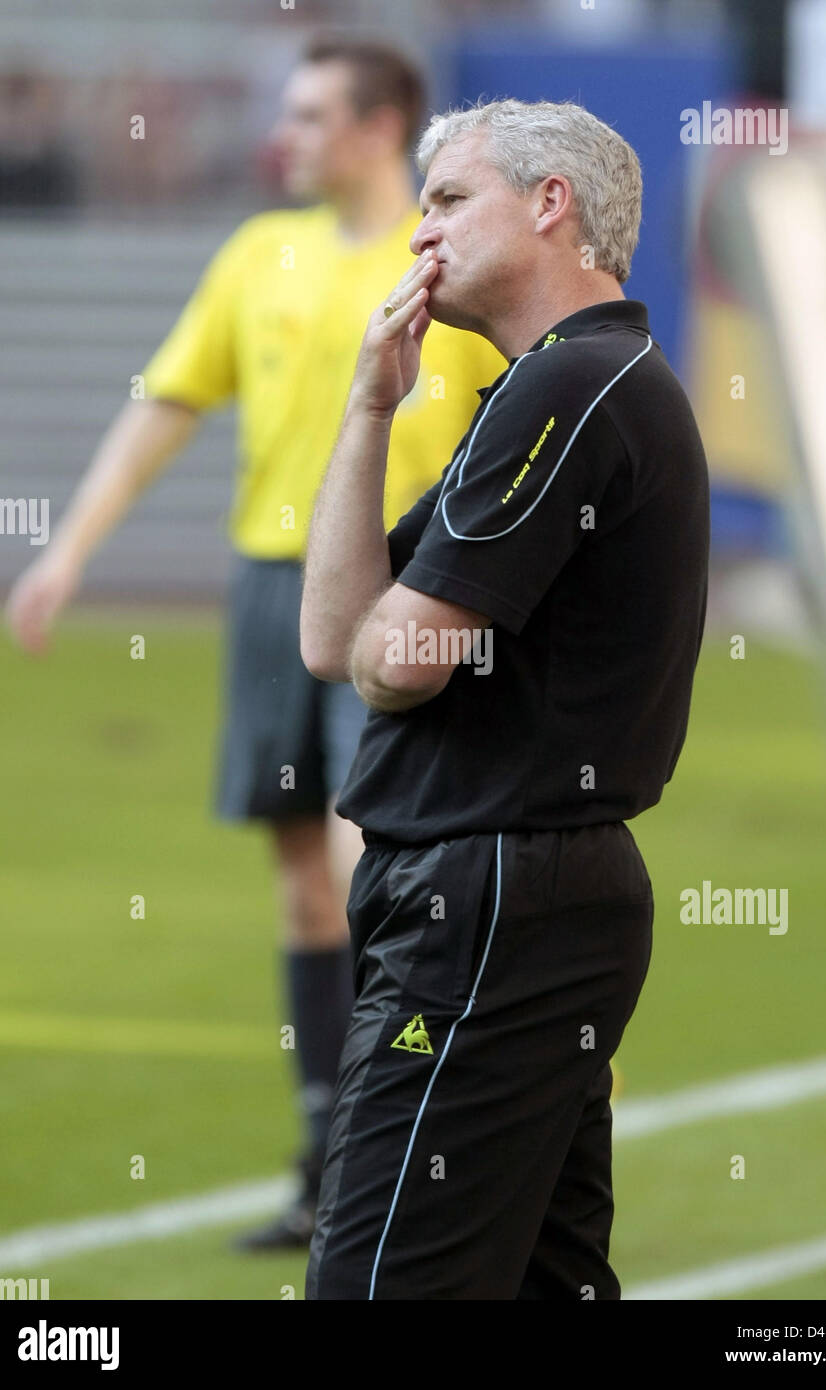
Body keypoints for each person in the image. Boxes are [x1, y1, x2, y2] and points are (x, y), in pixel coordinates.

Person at [4, 39, 504, 1251]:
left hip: (395, 598)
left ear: (383, 126)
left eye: (313, 111)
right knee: (302, 885)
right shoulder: (258, 254)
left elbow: (535, 412)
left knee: (364, 871)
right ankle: (324, 1159)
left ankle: (444, 1141)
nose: (287, 133)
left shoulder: (447, 261)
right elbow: (166, 398)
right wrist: (69, 548)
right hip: (268, 595)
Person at [299, 98, 710, 1299]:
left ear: (550, 205)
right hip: (513, 898)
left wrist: (389, 636)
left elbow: (397, 659)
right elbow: (338, 637)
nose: (417, 234)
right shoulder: (552, 386)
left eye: (447, 200)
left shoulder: (574, 386)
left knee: (380, 1285)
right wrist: (370, 405)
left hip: (488, 902)